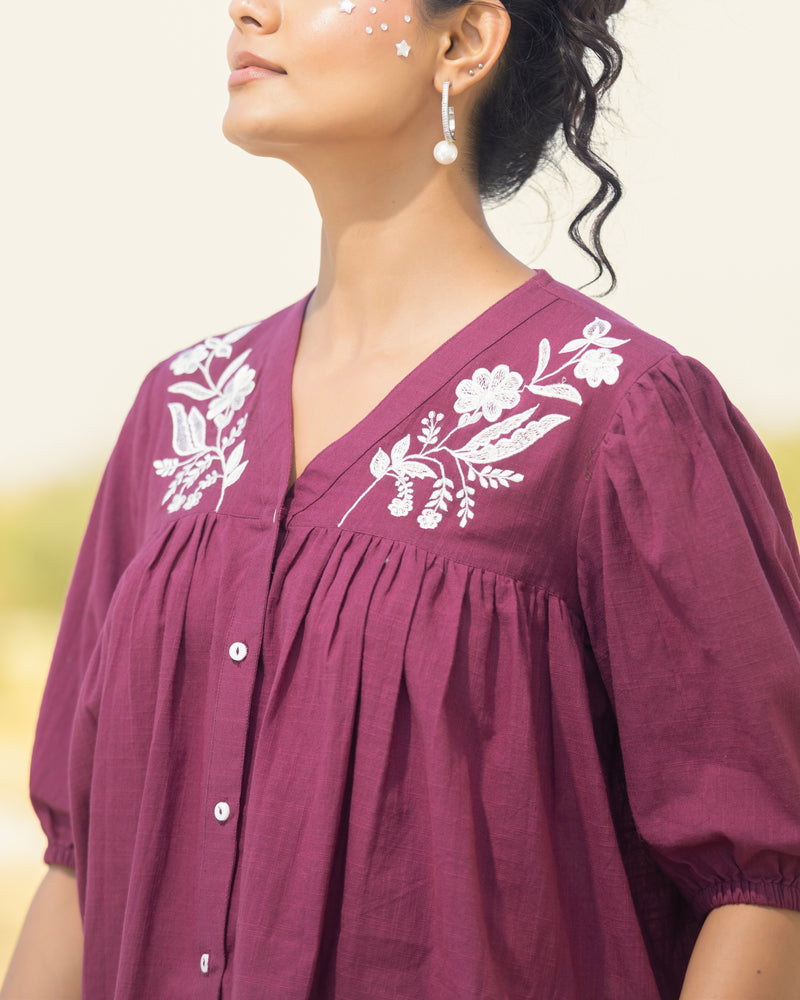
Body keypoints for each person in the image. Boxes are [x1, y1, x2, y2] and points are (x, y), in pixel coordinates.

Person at [3, 0, 800, 996]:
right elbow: (78, 863)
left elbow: (759, 878)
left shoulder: (615, 416)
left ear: (462, 41)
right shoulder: (180, 415)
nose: (247, 10)